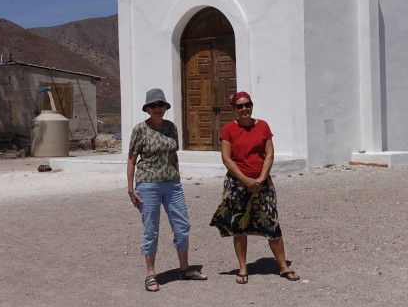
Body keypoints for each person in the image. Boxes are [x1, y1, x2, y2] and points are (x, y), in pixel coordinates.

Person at [210, 91, 300, 284]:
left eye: (247, 104)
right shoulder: (228, 129)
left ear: (251, 105)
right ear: (234, 109)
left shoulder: (263, 126)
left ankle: (283, 266)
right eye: (240, 106)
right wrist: (245, 180)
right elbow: (227, 159)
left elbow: (269, 154)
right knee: (239, 226)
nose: (244, 109)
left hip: (262, 184)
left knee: (272, 224)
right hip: (237, 184)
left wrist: (260, 179)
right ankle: (243, 267)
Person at [127, 88, 207, 292]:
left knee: (182, 226)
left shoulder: (171, 127)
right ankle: (150, 274)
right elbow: (132, 160)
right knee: (151, 229)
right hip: (148, 185)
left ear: (165, 107)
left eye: (160, 105)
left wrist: (177, 175)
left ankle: (185, 269)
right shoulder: (139, 130)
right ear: (147, 108)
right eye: (153, 105)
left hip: (172, 184)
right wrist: (130, 189)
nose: (157, 108)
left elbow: (173, 154)